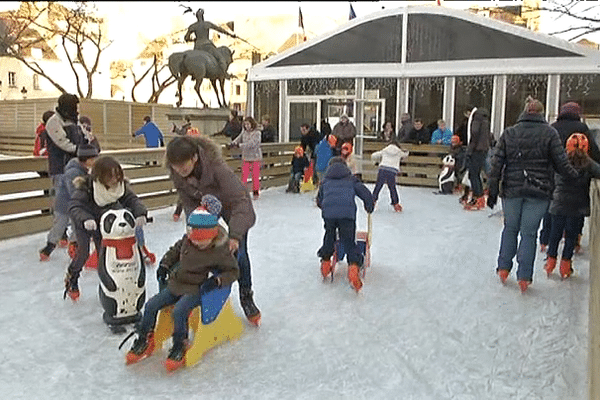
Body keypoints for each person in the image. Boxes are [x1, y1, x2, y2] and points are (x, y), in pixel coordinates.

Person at [125, 196, 239, 371]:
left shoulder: (220, 251)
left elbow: (233, 272)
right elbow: (175, 251)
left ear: (212, 234)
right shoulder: (189, 239)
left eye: (202, 239)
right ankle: (145, 338)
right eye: (194, 238)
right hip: (176, 284)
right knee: (150, 305)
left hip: (196, 289)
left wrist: (216, 281)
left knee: (179, 311)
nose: (197, 242)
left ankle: (179, 344)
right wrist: (164, 264)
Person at [165, 135, 260, 326]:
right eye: (176, 167)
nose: (180, 171)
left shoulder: (217, 168)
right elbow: (188, 201)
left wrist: (234, 235)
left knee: (239, 252)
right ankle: (197, 288)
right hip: (206, 207)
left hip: (233, 205)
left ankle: (246, 295)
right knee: (200, 247)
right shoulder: (176, 172)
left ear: (194, 158)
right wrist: (195, 227)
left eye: (183, 166)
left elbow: (241, 201)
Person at [486, 99, 580, 293]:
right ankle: (524, 277)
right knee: (529, 233)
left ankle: (503, 268)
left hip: (512, 190)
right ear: (541, 113)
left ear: (524, 111)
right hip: (539, 191)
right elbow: (561, 164)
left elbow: (497, 164)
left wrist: (493, 190)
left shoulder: (510, 133)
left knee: (510, 228)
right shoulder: (549, 133)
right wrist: (577, 176)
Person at [66, 156, 149, 301]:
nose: (114, 179)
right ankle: (72, 278)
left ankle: (111, 287)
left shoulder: (121, 187)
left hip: (105, 226)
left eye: (117, 175)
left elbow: (133, 200)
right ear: (100, 175)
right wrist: (86, 218)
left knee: (104, 257)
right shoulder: (88, 188)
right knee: (83, 253)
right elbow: (75, 206)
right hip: (85, 223)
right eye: (110, 175)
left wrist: (140, 213)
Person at [539, 101, 597, 252]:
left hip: (555, 173)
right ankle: (574, 239)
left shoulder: (552, 128)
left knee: (552, 205)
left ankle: (545, 239)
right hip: (579, 175)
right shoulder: (582, 129)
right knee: (576, 210)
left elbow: (543, 149)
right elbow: (594, 151)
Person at [544, 133, 600, 279]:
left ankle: (550, 261)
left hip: (559, 203)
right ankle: (566, 265)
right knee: (571, 236)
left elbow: (550, 176)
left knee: (555, 233)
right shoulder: (588, 163)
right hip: (577, 205)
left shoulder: (561, 160)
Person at [316, 157, 375, 291]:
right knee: (348, 240)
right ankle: (353, 267)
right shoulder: (351, 179)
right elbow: (365, 194)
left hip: (329, 215)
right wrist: (369, 205)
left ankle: (325, 263)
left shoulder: (325, 181)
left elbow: (319, 200)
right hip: (347, 215)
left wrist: (326, 207)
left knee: (329, 236)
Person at [39, 144, 99, 261]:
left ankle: (74, 245)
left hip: (75, 205)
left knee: (78, 226)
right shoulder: (73, 172)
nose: (95, 161)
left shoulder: (85, 170)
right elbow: (74, 191)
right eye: (93, 159)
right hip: (64, 205)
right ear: (85, 159)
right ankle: (49, 247)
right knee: (59, 227)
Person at [184, 8, 237, 75]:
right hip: (207, 46)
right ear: (203, 16)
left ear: (197, 17)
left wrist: (193, 39)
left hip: (197, 47)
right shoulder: (207, 24)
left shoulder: (193, 26)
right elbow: (219, 29)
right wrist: (230, 34)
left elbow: (186, 38)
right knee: (220, 58)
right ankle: (224, 73)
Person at [464, 108, 491, 210]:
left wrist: (470, 150)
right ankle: (478, 197)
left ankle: (479, 197)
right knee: (476, 173)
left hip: (477, 149)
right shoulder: (485, 119)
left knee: (473, 174)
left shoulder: (476, 119)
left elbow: (474, 134)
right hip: (483, 149)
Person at [370, 140, 409, 212]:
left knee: (378, 186)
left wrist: (375, 162)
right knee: (392, 187)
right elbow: (405, 155)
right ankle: (395, 204)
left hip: (382, 169)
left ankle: (373, 201)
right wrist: (406, 151)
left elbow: (373, 155)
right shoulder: (399, 152)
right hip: (392, 171)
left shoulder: (385, 150)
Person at [230, 116, 262, 199]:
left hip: (255, 157)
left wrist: (239, 145)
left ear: (252, 124)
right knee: (244, 176)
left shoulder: (257, 133)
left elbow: (252, 144)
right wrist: (233, 143)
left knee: (255, 176)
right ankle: (243, 193)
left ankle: (255, 192)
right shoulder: (244, 132)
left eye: (248, 124)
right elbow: (239, 138)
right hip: (246, 157)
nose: (247, 126)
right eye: (245, 124)